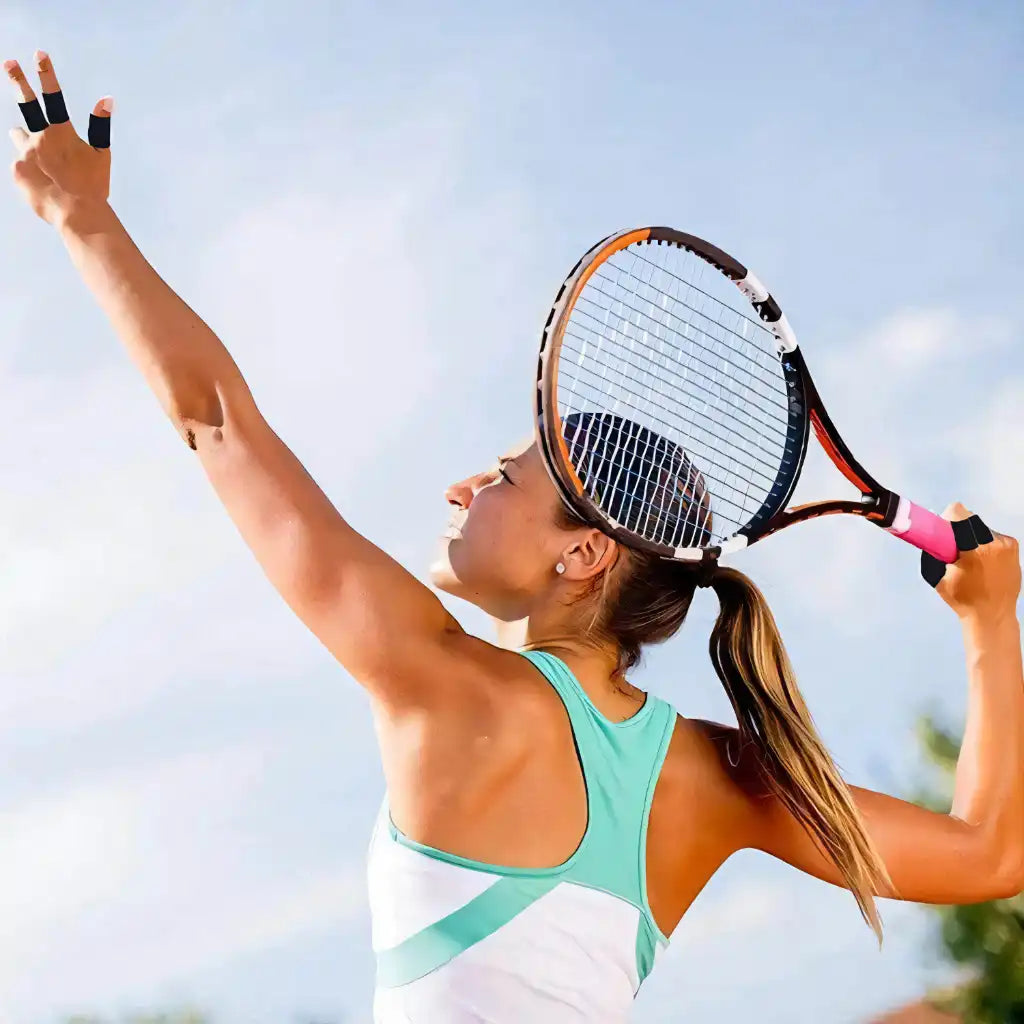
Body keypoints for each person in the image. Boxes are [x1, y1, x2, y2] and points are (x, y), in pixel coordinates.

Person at [7, 52, 1024, 1024]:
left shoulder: (440, 681)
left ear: (582, 554)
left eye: (500, 477)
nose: (461, 486)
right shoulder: (717, 777)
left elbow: (217, 423)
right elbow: (988, 854)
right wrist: (989, 626)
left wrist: (81, 217)